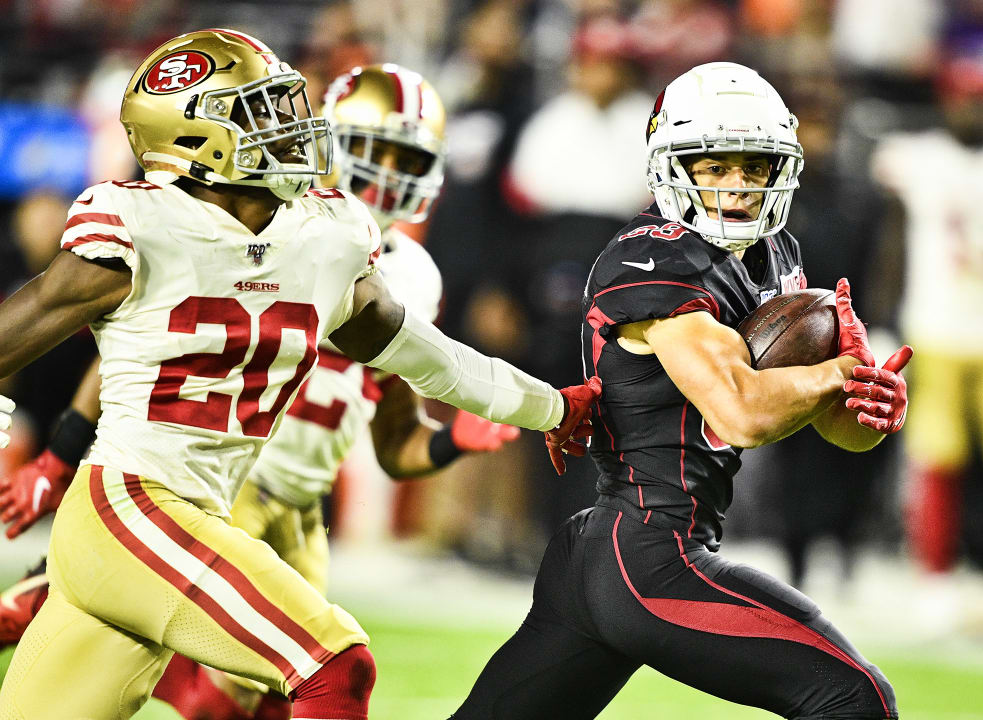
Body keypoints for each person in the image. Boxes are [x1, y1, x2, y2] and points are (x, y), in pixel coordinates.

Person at [0, 29, 597, 719]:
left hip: (192, 513)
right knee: (334, 666)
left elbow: (426, 356)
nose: (293, 125)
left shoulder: (325, 238)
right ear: (196, 136)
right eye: (263, 111)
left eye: (286, 104)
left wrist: (552, 406)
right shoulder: (138, 223)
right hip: (131, 507)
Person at [450, 62, 908, 720]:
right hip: (650, 553)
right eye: (716, 166)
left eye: (754, 167)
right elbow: (744, 412)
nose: (738, 186)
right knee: (854, 697)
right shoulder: (657, 256)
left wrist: (867, 399)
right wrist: (834, 372)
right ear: (673, 167)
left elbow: (829, 425)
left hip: (605, 553)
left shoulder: (777, 254)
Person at [870, 57, 983, 631]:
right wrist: (882, 316)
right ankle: (935, 579)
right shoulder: (918, 159)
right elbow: (896, 242)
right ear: (947, 100)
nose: (975, 109)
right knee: (936, 461)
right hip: (938, 332)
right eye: (966, 97)